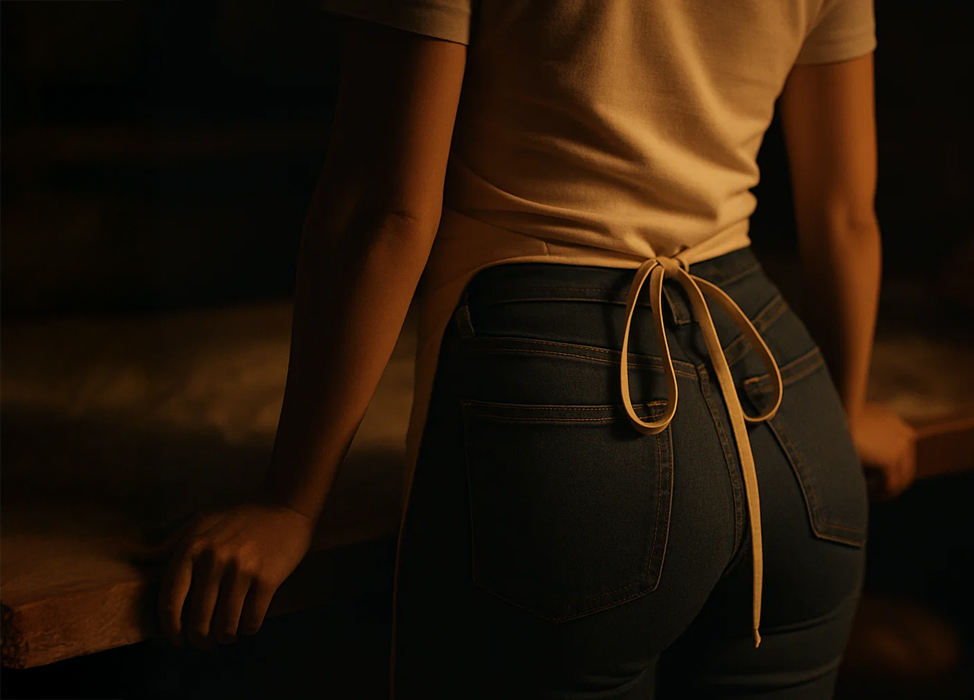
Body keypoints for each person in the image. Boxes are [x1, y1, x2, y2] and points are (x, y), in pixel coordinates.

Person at [146, 0, 917, 696]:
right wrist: (842, 411)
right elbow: (846, 213)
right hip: (782, 405)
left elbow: (382, 213)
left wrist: (289, 502)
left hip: (565, 422)